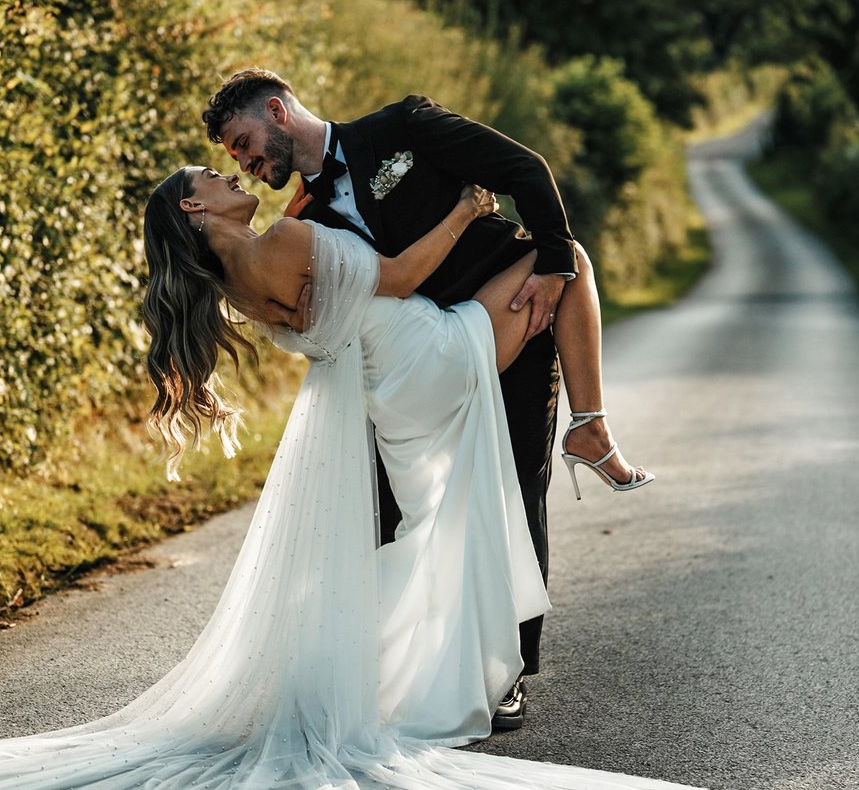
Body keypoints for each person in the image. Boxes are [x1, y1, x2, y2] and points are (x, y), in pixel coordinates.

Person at [0, 167, 680, 790]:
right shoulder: (284, 248)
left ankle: (549, 486)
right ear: (194, 208)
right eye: (215, 178)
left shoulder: (240, 274)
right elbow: (392, 277)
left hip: (387, 387)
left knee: (444, 506)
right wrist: (471, 211)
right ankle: (590, 431)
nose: (232, 176)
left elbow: (325, 289)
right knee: (570, 259)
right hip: (422, 350)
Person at [200, 69, 589, 728]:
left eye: (243, 142)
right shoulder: (302, 219)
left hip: (508, 316)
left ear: (276, 111)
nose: (242, 161)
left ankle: (511, 672)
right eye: (233, 157)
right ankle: (404, 665)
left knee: (518, 482)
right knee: (391, 511)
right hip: (410, 369)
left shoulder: (402, 128)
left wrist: (553, 265)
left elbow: (524, 169)